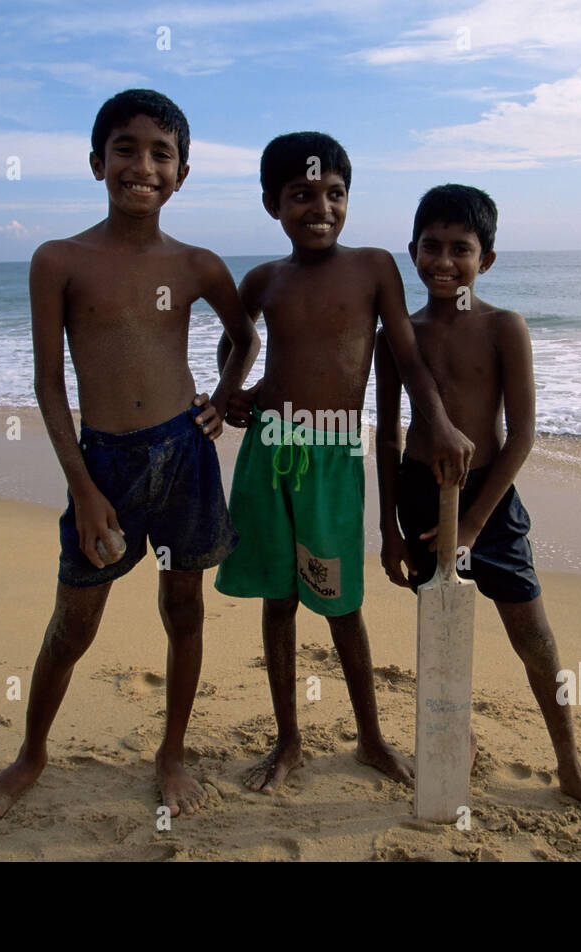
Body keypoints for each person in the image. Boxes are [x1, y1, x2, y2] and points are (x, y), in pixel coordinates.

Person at [0, 89, 260, 819]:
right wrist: (84, 486)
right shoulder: (59, 260)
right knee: (75, 620)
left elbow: (245, 336)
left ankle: (172, 754)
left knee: (184, 607)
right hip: (103, 464)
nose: (143, 166)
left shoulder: (199, 264)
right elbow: (47, 382)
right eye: (126, 149)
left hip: (185, 455)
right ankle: (30, 754)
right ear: (97, 161)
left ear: (183, 173)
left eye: (161, 154)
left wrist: (222, 396)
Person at [215, 132, 474, 794]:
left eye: (334, 193)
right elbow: (238, 340)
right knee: (277, 601)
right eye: (302, 195)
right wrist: (230, 395)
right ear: (274, 203)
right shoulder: (264, 279)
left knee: (339, 604)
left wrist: (437, 419)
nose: (320, 207)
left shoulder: (373, 268)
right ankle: (289, 742)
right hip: (269, 452)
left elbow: (409, 357)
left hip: (332, 457)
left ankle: (370, 739)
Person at [375, 183, 581, 822]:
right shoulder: (399, 335)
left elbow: (521, 437)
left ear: (484, 259)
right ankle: (456, 737)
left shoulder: (503, 327)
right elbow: (388, 433)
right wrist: (387, 526)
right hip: (419, 502)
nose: (443, 261)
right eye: (430, 246)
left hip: (487, 501)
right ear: (412, 251)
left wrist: (471, 525)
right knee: (443, 630)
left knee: (535, 637)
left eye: (460, 249)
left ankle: (570, 766)